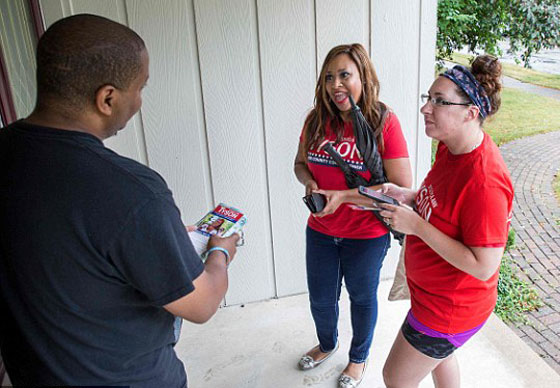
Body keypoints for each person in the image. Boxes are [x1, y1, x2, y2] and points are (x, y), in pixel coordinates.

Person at [0, 14, 239, 388]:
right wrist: (221, 251)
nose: (140, 99)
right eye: (140, 87)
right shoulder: (134, 191)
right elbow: (201, 303)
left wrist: (164, 235)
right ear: (107, 98)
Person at [380, 55, 513, 388]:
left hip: (449, 311)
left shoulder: (485, 182)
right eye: (428, 98)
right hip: (432, 296)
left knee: (395, 378)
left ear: (471, 113)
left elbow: (484, 266)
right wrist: (408, 195)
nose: (426, 108)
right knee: (440, 360)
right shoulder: (449, 148)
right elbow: (440, 204)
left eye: (439, 101)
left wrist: (415, 226)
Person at [294, 43, 412, 388]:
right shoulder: (316, 120)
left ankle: (358, 358)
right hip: (320, 228)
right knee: (320, 296)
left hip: (366, 234)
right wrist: (310, 182)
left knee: (361, 298)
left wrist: (344, 196)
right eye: (329, 77)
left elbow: (401, 188)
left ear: (363, 77)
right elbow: (300, 164)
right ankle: (328, 344)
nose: (336, 85)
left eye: (345, 75)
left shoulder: (383, 122)